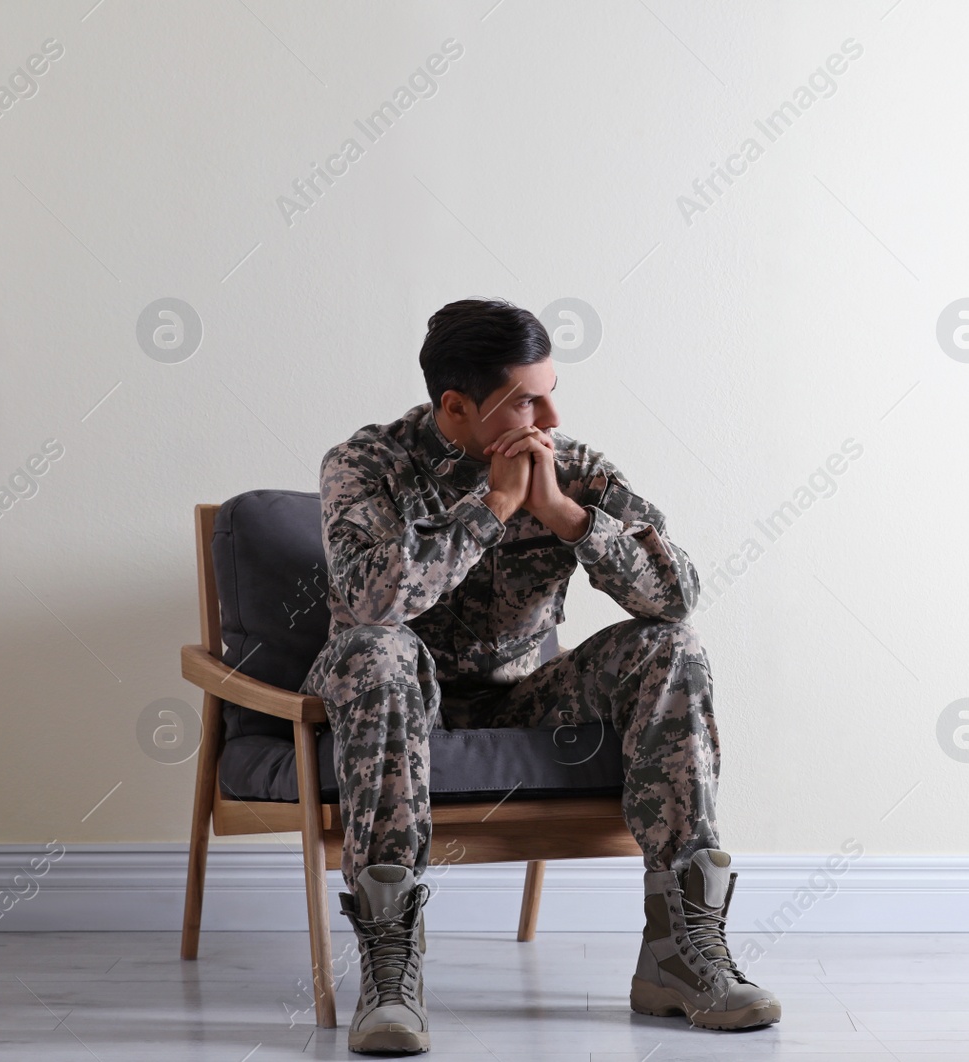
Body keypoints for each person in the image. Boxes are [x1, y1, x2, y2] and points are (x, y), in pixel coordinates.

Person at [299, 298, 779, 1054]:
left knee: (672, 646)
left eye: (551, 388)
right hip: (397, 697)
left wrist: (569, 518)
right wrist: (490, 509)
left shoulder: (569, 468)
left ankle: (682, 953)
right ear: (455, 406)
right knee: (378, 652)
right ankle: (391, 972)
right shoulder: (366, 467)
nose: (550, 414)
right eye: (527, 397)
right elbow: (370, 604)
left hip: (527, 694)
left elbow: (677, 593)